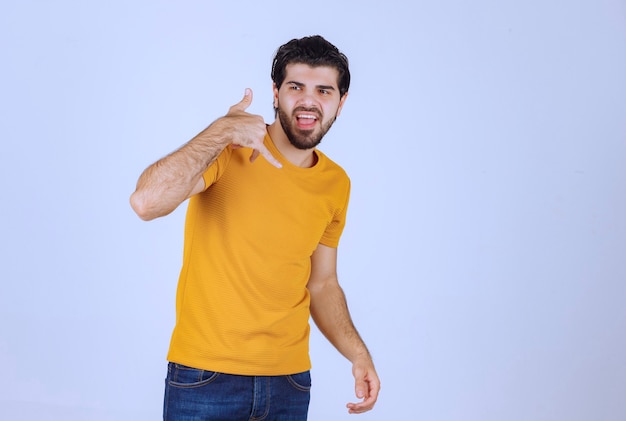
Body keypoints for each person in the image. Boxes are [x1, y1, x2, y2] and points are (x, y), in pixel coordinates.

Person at [130, 35, 380, 420]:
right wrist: (222, 131)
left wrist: (359, 354)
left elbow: (323, 283)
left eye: (323, 90)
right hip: (205, 377)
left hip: (290, 383)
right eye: (296, 87)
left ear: (340, 103)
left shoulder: (336, 184)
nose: (308, 101)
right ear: (276, 93)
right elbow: (146, 202)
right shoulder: (228, 151)